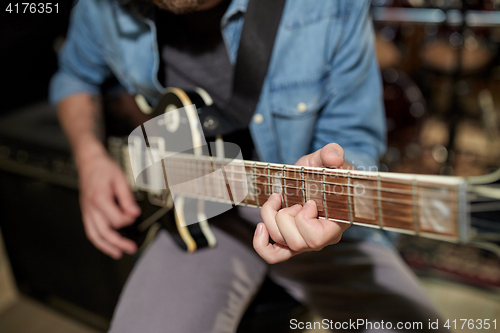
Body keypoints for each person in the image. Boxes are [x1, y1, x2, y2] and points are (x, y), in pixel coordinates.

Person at [50, 0, 447, 332]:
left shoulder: (332, 5)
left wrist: (338, 180)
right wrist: (90, 156)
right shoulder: (100, 7)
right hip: (193, 220)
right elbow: (74, 76)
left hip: (311, 214)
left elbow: (357, 140)